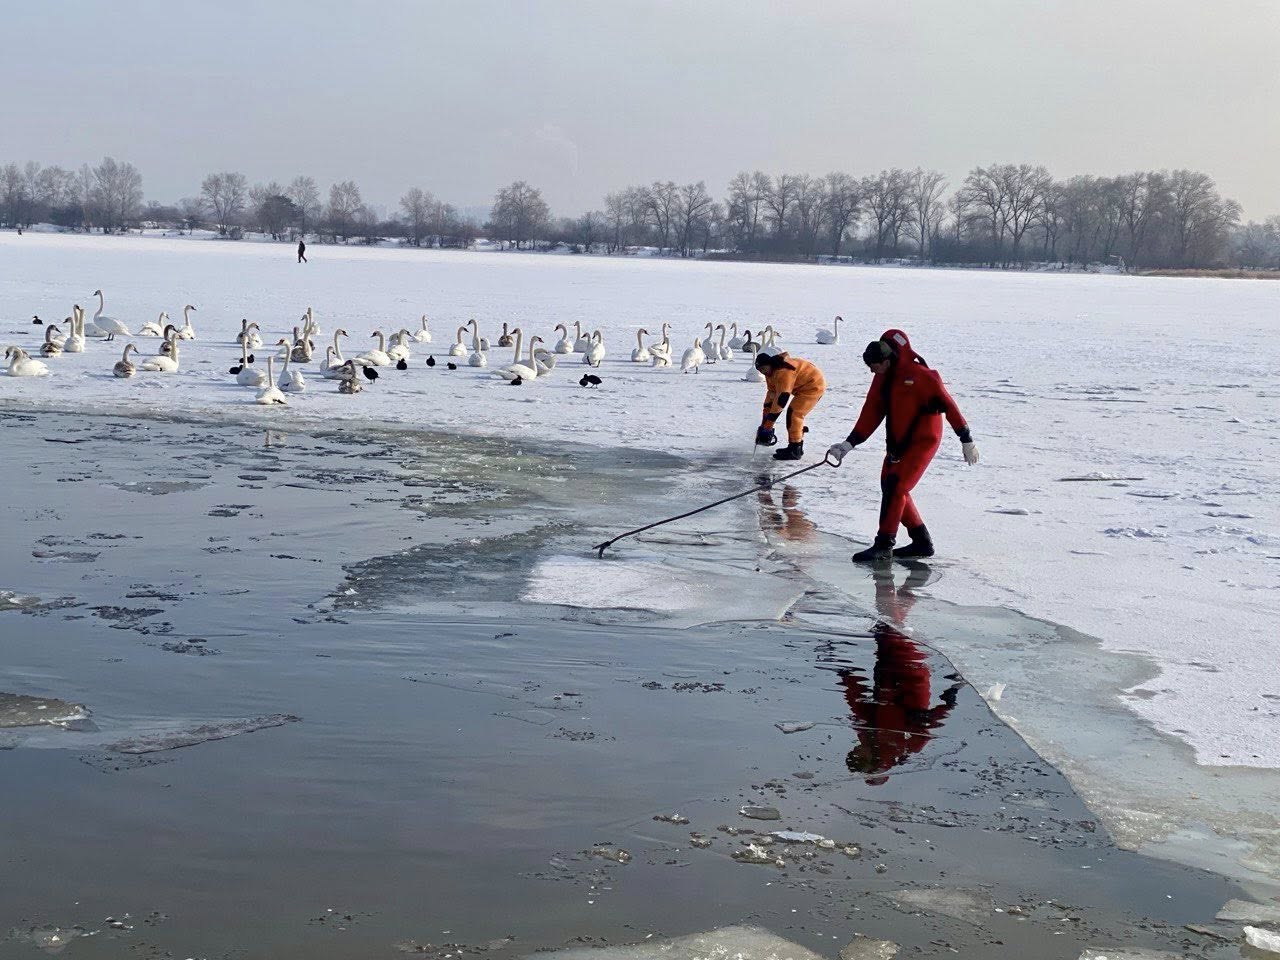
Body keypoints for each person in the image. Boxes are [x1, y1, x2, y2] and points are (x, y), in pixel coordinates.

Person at [826, 329, 978, 563]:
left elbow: (949, 405)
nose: (871, 371)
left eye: (874, 366)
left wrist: (966, 439)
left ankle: (884, 545)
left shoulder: (921, 376)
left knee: (896, 486)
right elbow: (871, 412)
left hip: (923, 440)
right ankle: (921, 541)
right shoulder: (882, 378)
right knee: (890, 485)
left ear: (887, 360)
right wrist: (849, 444)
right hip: (897, 440)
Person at [753, 350, 826, 461]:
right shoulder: (770, 373)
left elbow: (781, 399)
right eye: (760, 370)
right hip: (801, 387)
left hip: (813, 386)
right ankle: (795, 446)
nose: (762, 372)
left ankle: (795, 449)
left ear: (769, 364)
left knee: (795, 414)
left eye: (763, 369)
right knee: (792, 414)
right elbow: (771, 395)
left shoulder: (783, 372)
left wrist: (768, 426)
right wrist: (765, 421)